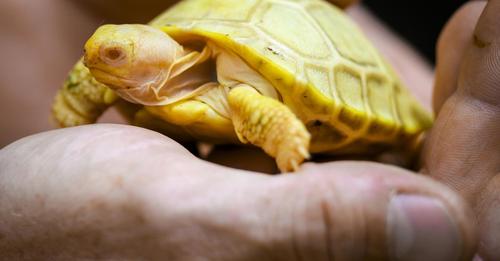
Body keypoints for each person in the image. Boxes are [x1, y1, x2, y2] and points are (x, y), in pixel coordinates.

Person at [0, 0, 498, 260]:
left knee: (244, 100)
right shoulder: (143, 64)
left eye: (114, 56)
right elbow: (94, 69)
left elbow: (255, 106)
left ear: (160, 58)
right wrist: (72, 101)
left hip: (312, 64)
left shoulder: (239, 89)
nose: (95, 62)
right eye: (97, 52)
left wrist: (282, 136)